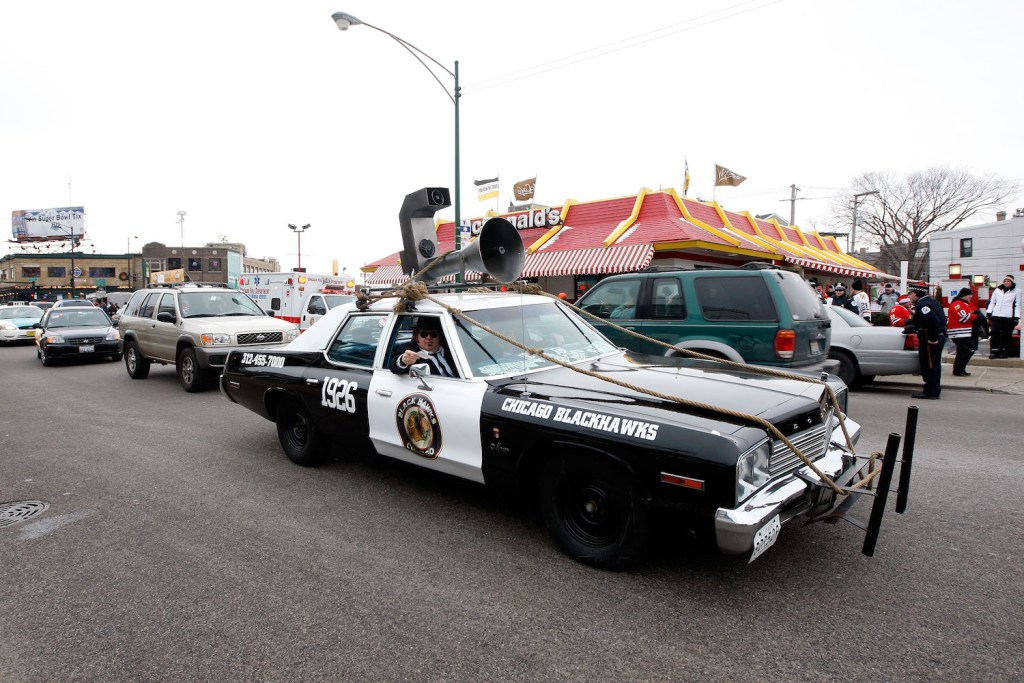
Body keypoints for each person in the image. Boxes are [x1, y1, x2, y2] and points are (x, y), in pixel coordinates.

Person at [907, 283, 947, 399]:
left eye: (910, 294)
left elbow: (933, 320)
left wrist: (933, 339)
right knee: (935, 365)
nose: (909, 296)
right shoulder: (931, 301)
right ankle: (934, 389)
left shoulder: (922, 304)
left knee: (929, 365)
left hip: (930, 338)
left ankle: (930, 391)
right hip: (938, 336)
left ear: (916, 293)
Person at [390, 317, 458, 378]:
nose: (429, 338)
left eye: (433, 334)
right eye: (424, 334)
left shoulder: (452, 349)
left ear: (439, 336)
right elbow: (395, 368)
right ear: (416, 336)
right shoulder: (409, 350)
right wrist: (402, 361)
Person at [986, 274, 1020, 359]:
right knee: (994, 333)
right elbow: (992, 302)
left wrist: (1016, 317)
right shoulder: (997, 290)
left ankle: (1005, 352)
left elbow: (1017, 305)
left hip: (1008, 316)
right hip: (997, 315)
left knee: (1006, 335)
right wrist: (989, 312)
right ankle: (995, 351)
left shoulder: (1017, 291)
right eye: (1005, 281)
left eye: (1008, 281)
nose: (1006, 282)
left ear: (1012, 282)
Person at [947, 287, 979, 376]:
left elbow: (974, 311)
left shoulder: (966, 303)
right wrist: (976, 316)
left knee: (963, 351)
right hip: (959, 332)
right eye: (969, 295)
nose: (971, 296)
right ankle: (958, 370)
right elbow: (964, 318)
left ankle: (960, 369)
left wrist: (975, 314)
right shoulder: (957, 304)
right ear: (964, 295)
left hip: (964, 332)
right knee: (968, 350)